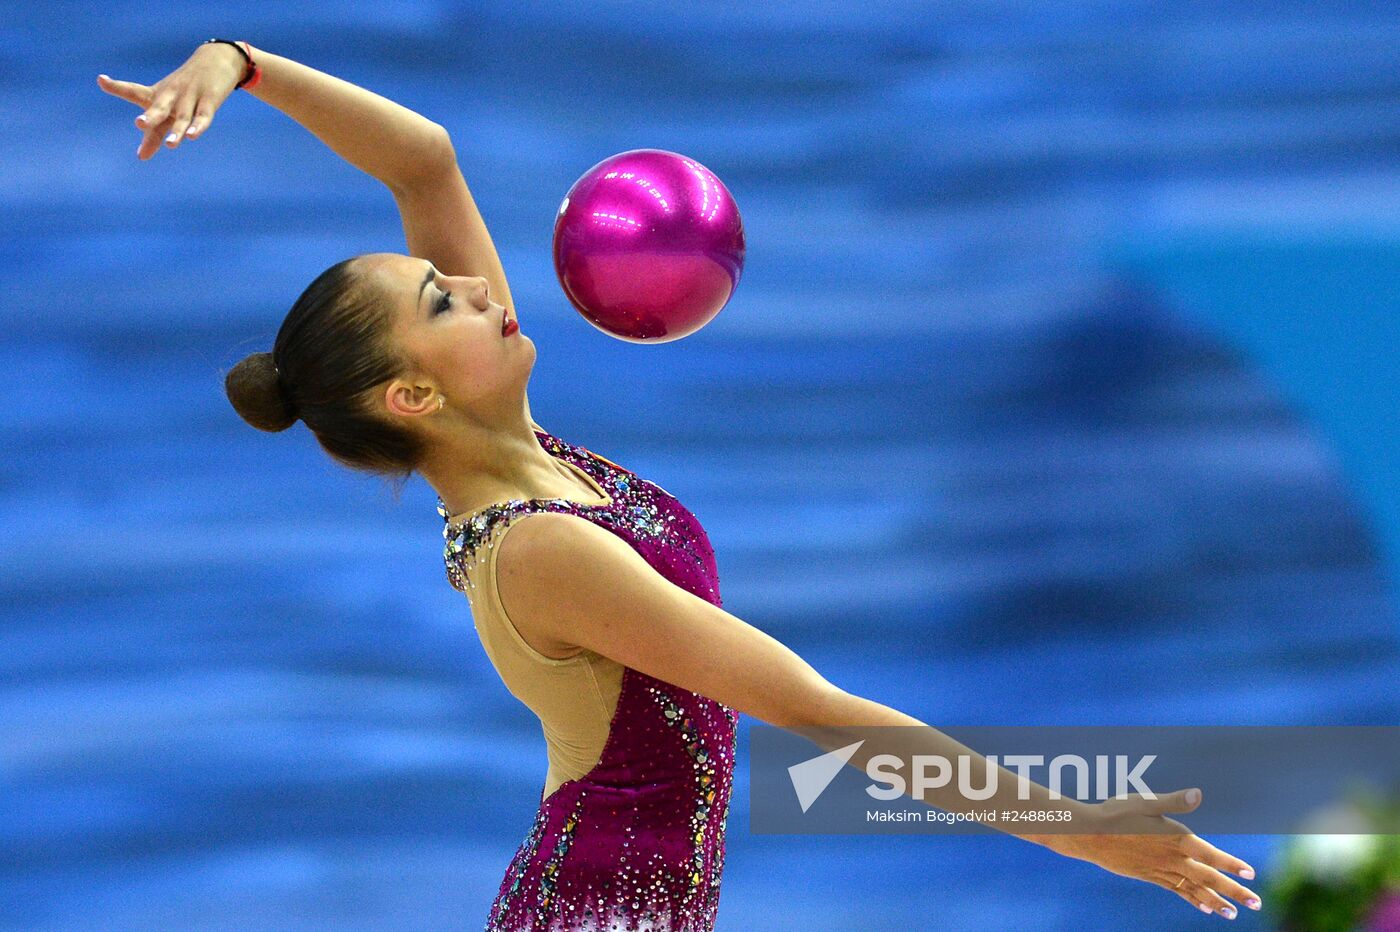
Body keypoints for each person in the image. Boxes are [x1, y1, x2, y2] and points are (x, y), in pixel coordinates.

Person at [98, 39, 1264, 929]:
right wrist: (1073, 830)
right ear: (411, 399)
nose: (476, 287)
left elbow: (423, 157)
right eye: (440, 301)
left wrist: (241, 63)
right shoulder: (535, 547)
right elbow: (812, 709)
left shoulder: (530, 458)